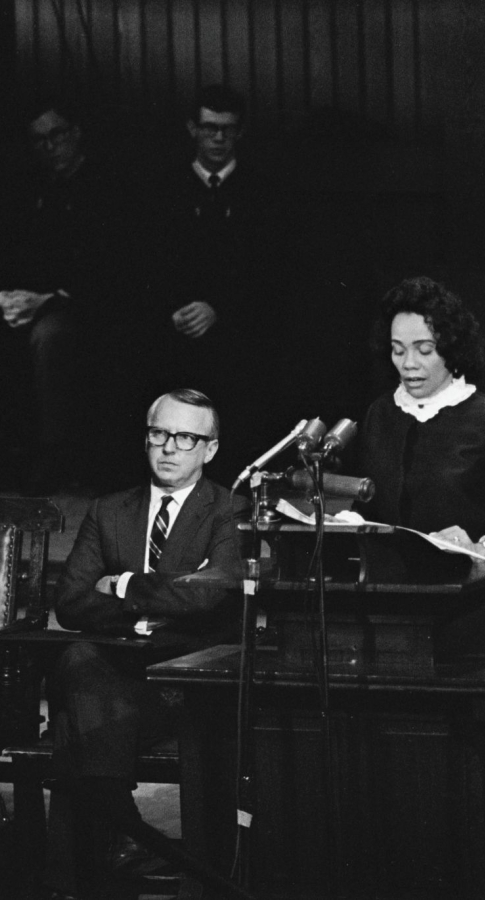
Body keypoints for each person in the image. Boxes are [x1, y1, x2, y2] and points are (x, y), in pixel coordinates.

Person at [352, 276, 485, 896]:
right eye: (398, 349)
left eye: (423, 348)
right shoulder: (378, 415)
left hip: (477, 620)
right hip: (400, 621)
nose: (409, 363)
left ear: (450, 348)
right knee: (415, 777)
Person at [45, 389, 247, 899]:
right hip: (112, 672)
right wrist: (156, 608)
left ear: (211, 448)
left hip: (184, 684)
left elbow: (211, 598)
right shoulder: (109, 510)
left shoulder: (230, 511)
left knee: (77, 713)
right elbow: (70, 601)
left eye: (186, 437)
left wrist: (124, 585)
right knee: (79, 659)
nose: (169, 448)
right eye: (159, 434)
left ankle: (109, 848)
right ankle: (125, 832)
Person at [144, 84, 285, 486]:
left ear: (240, 132)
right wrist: (169, 310)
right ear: (193, 129)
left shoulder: (263, 194)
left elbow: (271, 274)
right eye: (209, 128)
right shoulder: (163, 189)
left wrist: (219, 309)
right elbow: (144, 267)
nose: (218, 138)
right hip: (171, 326)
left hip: (236, 328)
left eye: (227, 129)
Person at [0, 99, 131, 492]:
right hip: (28, 302)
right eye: (39, 139)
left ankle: (54, 452)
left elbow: (109, 268)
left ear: (76, 133)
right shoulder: (27, 189)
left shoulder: (106, 185)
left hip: (81, 305)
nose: (50, 146)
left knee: (51, 336)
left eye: (57, 135)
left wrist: (48, 300)